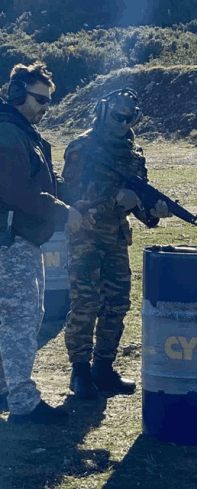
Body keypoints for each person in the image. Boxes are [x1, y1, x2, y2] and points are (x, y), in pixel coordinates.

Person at [62, 88, 172, 400]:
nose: (124, 122)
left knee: (117, 304)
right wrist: (113, 199)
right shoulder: (83, 147)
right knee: (86, 302)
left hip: (116, 239)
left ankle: (103, 369)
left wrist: (154, 212)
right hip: (86, 234)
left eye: (130, 117)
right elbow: (70, 195)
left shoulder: (131, 153)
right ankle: (80, 371)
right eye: (118, 116)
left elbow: (139, 206)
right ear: (104, 111)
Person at [0, 61, 90, 425]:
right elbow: (18, 190)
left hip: (19, 240)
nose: (46, 107)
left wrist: (75, 200)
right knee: (20, 320)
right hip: (10, 241)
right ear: (19, 94)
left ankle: (7, 389)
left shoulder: (22, 133)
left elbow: (45, 182)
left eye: (49, 101)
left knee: (17, 318)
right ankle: (22, 402)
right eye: (40, 99)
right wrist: (63, 212)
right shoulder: (8, 134)